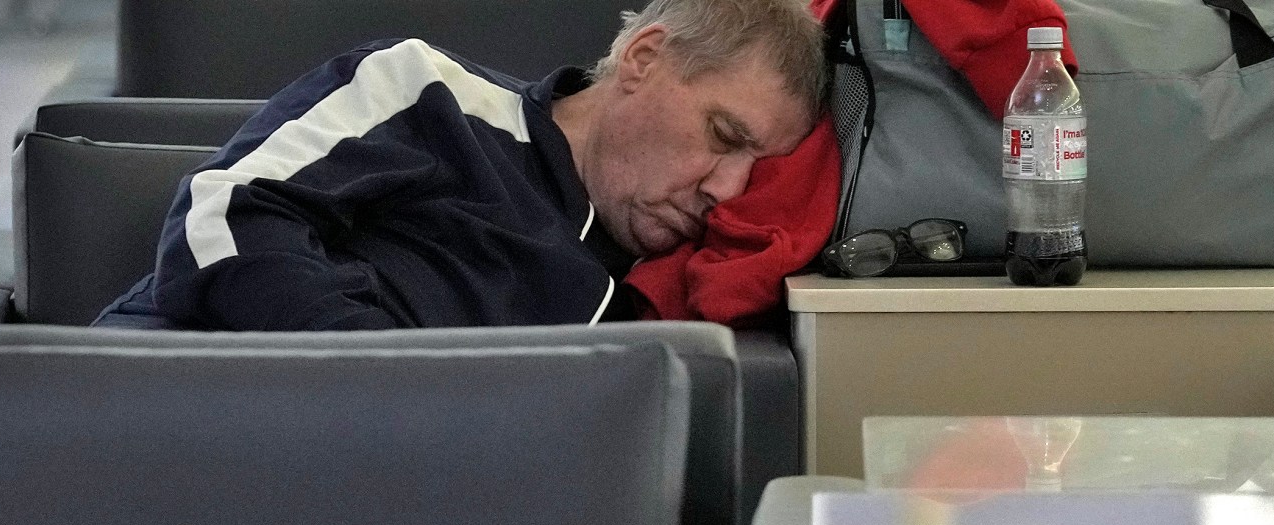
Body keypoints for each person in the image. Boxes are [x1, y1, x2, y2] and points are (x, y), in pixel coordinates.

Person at [99, 0, 827, 330]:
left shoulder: (646, 288)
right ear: (644, 60)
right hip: (176, 392)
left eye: (755, 167)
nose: (726, 189)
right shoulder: (430, 95)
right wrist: (394, 385)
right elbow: (224, 215)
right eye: (723, 135)